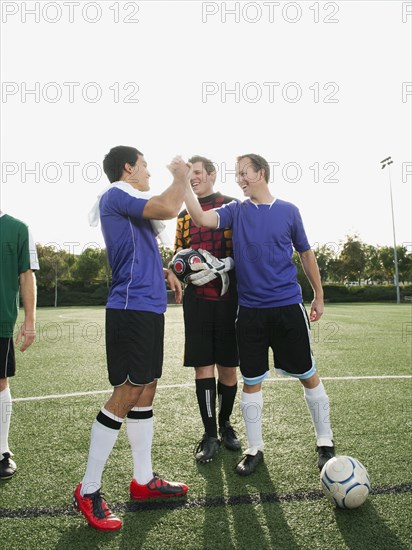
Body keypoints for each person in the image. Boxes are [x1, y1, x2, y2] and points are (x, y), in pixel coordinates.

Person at [183, 153, 336, 476]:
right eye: (236, 174)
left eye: (243, 173)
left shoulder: (289, 211)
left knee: (308, 374)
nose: (238, 179)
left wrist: (318, 296)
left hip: (287, 308)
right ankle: (254, 450)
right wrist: (183, 182)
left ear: (260, 173)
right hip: (250, 312)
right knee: (251, 382)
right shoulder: (236, 212)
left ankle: (325, 441)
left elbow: (306, 255)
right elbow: (200, 217)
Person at [73, 146, 192, 531]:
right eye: (144, 167)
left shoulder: (129, 201)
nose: (149, 174)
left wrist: (163, 270)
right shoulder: (117, 193)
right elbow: (167, 208)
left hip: (147, 307)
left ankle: (143, 480)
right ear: (128, 169)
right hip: (130, 309)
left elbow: (133, 252)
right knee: (128, 390)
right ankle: (88, 489)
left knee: (147, 388)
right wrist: (181, 176)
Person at [174, 156, 240, 464]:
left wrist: (226, 264)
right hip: (197, 301)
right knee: (203, 367)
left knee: (228, 368)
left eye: (197, 173)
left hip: (229, 300)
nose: (194, 178)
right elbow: (179, 255)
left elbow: (244, 250)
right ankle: (210, 433)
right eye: (189, 175)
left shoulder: (231, 205)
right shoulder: (183, 216)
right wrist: (182, 270)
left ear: (212, 174)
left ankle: (226, 423)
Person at [0, 211, 39, 479]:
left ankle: (2, 451)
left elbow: (26, 275)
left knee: (0, 382)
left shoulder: (18, 229)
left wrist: (30, 320)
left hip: (0, 319)